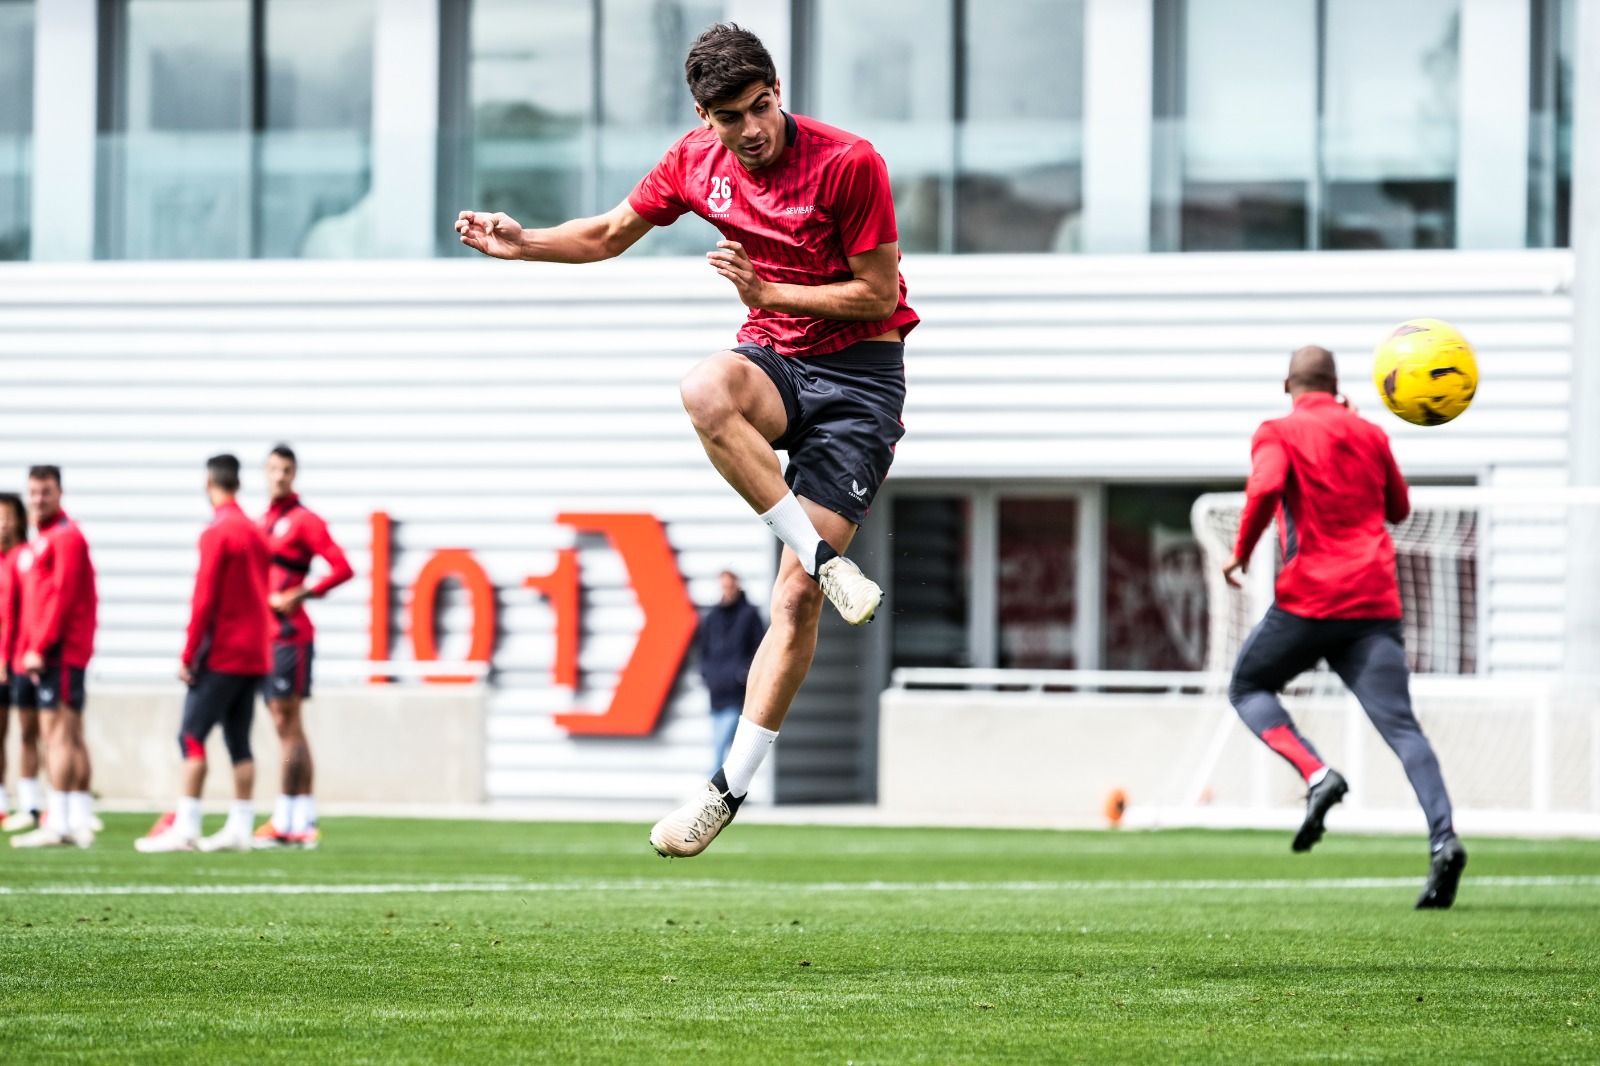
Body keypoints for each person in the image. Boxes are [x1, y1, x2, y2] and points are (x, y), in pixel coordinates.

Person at [456, 23, 918, 858]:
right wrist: (523, 244)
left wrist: (769, 287)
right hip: (776, 361)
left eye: (761, 106)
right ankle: (824, 558)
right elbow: (604, 235)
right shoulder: (693, 163)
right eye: (730, 115)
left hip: (859, 382)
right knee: (703, 388)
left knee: (792, 601)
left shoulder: (851, 163)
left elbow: (879, 297)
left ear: (779, 92)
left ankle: (725, 790)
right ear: (702, 117)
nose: (752, 128)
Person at [1223, 346, 1466, 909]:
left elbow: (1263, 490)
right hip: (1373, 606)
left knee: (1247, 687)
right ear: (1337, 386)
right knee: (1404, 731)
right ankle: (1444, 838)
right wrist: (1353, 433)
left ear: (1289, 385)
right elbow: (1398, 509)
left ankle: (1316, 773)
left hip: (1310, 603)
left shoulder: (1277, 431)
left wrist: (1240, 554)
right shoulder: (1371, 434)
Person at [138, 455, 273, 853]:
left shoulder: (217, 531)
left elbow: (204, 597)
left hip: (223, 652)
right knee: (239, 740)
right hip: (256, 653)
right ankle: (241, 827)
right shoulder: (256, 530)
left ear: (208, 482)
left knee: (191, 735)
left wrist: (188, 652)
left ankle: (187, 827)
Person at [253, 445, 353, 849]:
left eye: (287, 470)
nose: (280, 476)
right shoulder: (262, 521)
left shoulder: (304, 521)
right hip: (267, 636)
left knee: (287, 724)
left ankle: (287, 817)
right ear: (265, 472)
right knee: (287, 726)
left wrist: (302, 593)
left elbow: (342, 567)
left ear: (295, 475)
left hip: (291, 634)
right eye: (274, 469)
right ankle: (301, 817)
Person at [10, 467, 99, 849]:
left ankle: (60, 821)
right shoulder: (44, 540)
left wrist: (39, 647)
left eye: (45, 492)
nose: (37, 499)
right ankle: (74, 817)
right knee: (65, 734)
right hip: (54, 652)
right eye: (32, 492)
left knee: (58, 735)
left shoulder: (65, 538)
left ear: (59, 492)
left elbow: (62, 598)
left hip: (59, 653)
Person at [0, 491, 45, 831]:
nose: (2, 524)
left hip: (19, 660)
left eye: (7, 516)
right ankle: (3, 801)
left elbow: (23, 614)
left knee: (30, 731)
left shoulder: (27, 557)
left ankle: (30, 805)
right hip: (4, 658)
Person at [698, 571, 767, 775]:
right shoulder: (712, 618)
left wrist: (742, 674)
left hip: (737, 693)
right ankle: (724, 788)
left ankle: (714, 786)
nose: (727, 590)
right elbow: (703, 652)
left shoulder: (749, 615)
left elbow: (759, 648)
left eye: (730, 585)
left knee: (722, 743)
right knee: (723, 743)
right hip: (716, 693)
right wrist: (708, 676)